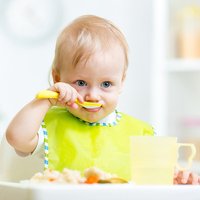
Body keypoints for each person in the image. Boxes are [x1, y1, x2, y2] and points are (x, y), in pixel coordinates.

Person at [5, 15, 200, 184]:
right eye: (81, 82)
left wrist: (180, 178)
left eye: (106, 84)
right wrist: (46, 99)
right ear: (58, 79)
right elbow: (16, 138)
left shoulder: (141, 134)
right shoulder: (50, 124)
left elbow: (166, 176)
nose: (93, 95)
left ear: (121, 82)